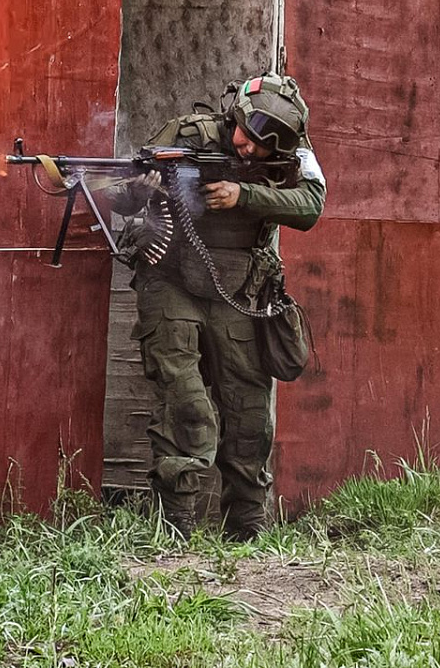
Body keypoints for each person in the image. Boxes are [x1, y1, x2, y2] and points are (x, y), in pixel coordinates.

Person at [108, 73, 325, 540]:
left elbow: (311, 205)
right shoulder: (188, 135)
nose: (250, 149)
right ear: (236, 115)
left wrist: (242, 195)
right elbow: (118, 195)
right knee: (185, 405)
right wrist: (141, 188)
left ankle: (247, 531)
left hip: (239, 290)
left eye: (264, 146)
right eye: (248, 135)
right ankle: (176, 528)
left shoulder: (294, 150)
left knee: (249, 415)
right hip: (172, 281)